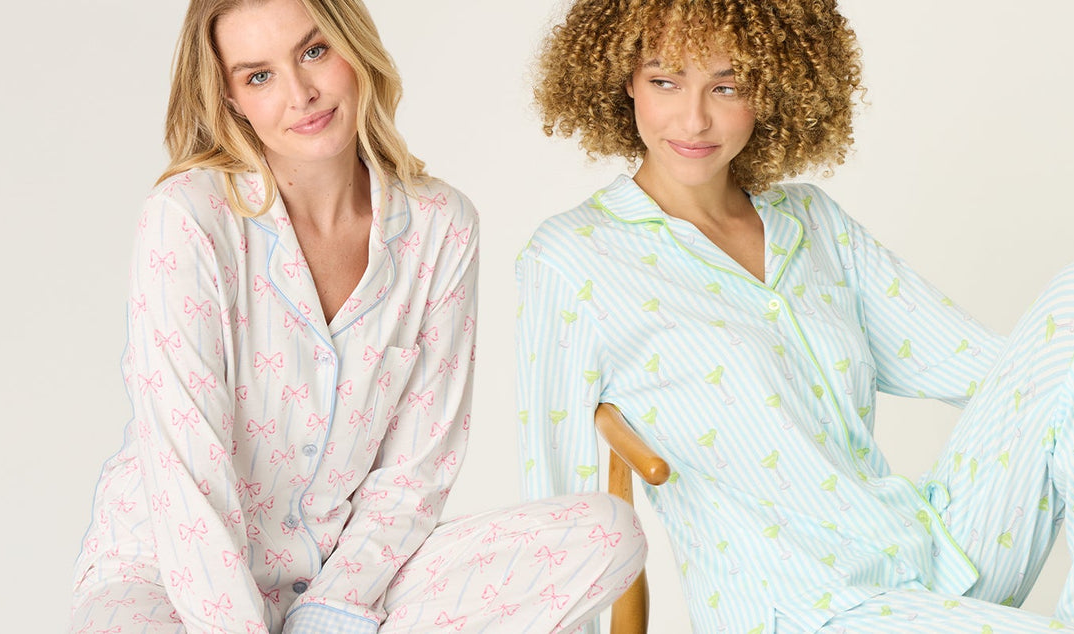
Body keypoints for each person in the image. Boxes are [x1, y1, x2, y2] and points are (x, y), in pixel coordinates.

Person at [514, 1, 1074, 632]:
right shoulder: (574, 258)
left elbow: (1005, 367)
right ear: (622, 80)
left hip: (928, 548)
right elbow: (558, 504)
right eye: (665, 80)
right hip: (799, 607)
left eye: (726, 86)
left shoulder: (812, 223)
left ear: (773, 87)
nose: (693, 118)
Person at [69, 1, 646, 632]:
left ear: (354, 46)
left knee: (606, 534)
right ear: (230, 98)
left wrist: (331, 610)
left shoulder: (440, 226)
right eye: (258, 76)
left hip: (348, 577)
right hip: (172, 580)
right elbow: (188, 474)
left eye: (315, 52)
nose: (301, 94)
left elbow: (416, 468)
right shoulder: (188, 218)